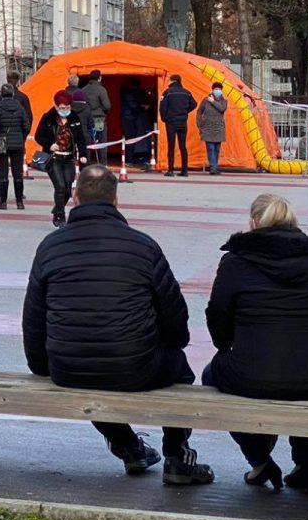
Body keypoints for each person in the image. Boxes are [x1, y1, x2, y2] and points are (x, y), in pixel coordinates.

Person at [22, 164, 214, 486]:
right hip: (135, 366)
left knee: (92, 373)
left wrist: (43, 366)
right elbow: (175, 315)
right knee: (179, 368)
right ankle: (178, 458)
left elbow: (33, 319)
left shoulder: (49, 247)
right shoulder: (143, 246)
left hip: (67, 367)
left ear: (74, 197)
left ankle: (129, 448)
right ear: (115, 199)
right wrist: (171, 343)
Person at [203, 194, 308, 492]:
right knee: (298, 367)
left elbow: (218, 318)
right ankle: (306, 463)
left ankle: (260, 459)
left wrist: (230, 345)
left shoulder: (235, 261)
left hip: (254, 374)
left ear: (253, 223)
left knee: (211, 374)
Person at [33, 91, 85, 227]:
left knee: (68, 187)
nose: (65, 110)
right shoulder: (48, 118)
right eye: (62, 108)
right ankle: (60, 216)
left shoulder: (74, 118)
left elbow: (81, 138)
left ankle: (58, 207)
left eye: (67, 107)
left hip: (68, 158)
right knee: (60, 187)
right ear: (56, 107)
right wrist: (49, 144)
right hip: (54, 158)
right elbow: (38, 136)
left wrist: (84, 154)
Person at [0, 83, 32, 211]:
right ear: (13, 94)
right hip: (17, 143)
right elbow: (26, 126)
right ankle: (19, 202)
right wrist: (21, 136)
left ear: (1, 94)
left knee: (3, 172)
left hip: (3, 144)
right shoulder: (20, 108)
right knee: (17, 173)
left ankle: (3, 202)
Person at [159, 74, 197, 177]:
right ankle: (184, 171)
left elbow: (162, 107)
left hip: (171, 122)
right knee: (182, 146)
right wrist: (185, 112)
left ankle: (170, 170)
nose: (168, 82)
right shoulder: (187, 92)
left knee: (171, 146)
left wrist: (164, 118)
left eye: (169, 80)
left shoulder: (167, 93)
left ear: (173, 81)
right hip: (182, 122)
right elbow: (194, 104)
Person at [197, 82, 228, 175]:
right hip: (208, 127)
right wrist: (200, 124)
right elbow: (199, 112)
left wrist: (213, 101)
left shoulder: (224, 101)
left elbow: (222, 109)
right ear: (212, 90)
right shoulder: (205, 100)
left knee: (217, 149)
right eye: (216, 89)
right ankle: (213, 167)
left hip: (219, 128)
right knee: (210, 148)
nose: (218, 91)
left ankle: (215, 166)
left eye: (219, 89)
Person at [83, 70, 111, 164]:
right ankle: (103, 164)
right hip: (99, 119)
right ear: (99, 78)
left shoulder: (84, 89)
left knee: (87, 141)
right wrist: (103, 112)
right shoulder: (101, 90)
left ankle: (86, 163)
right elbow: (107, 106)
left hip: (86, 118)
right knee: (102, 143)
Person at [120, 78, 145, 167]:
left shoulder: (125, 92)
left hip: (126, 117)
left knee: (129, 138)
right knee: (130, 138)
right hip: (129, 118)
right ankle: (129, 160)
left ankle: (128, 158)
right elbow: (133, 106)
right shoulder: (131, 94)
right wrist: (142, 108)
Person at [65, 72, 93, 150]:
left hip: (68, 132)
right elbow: (90, 123)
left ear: (68, 82)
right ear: (77, 82)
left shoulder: (64, 94)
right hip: (84, 132)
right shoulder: (83, 94)